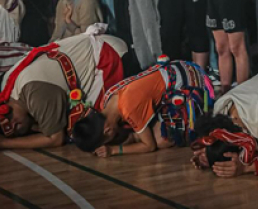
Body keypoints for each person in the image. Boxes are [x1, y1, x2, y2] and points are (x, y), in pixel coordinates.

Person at [0, 30, 128, 151]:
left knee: (91, 132)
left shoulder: (36, 94)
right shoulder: (11, 89)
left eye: (15, 130)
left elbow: (55, 139)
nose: (19, 128)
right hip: (98, 49)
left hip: (110, 57)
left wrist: (3, 144)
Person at [70, 59, 214, 157]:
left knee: (160, 139)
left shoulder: (129, 108)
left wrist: (114, 150)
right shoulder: (106, 100)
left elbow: (149, 146)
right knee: (141, 131)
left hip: (195, 80)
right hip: (175, 69)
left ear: (107, 130)